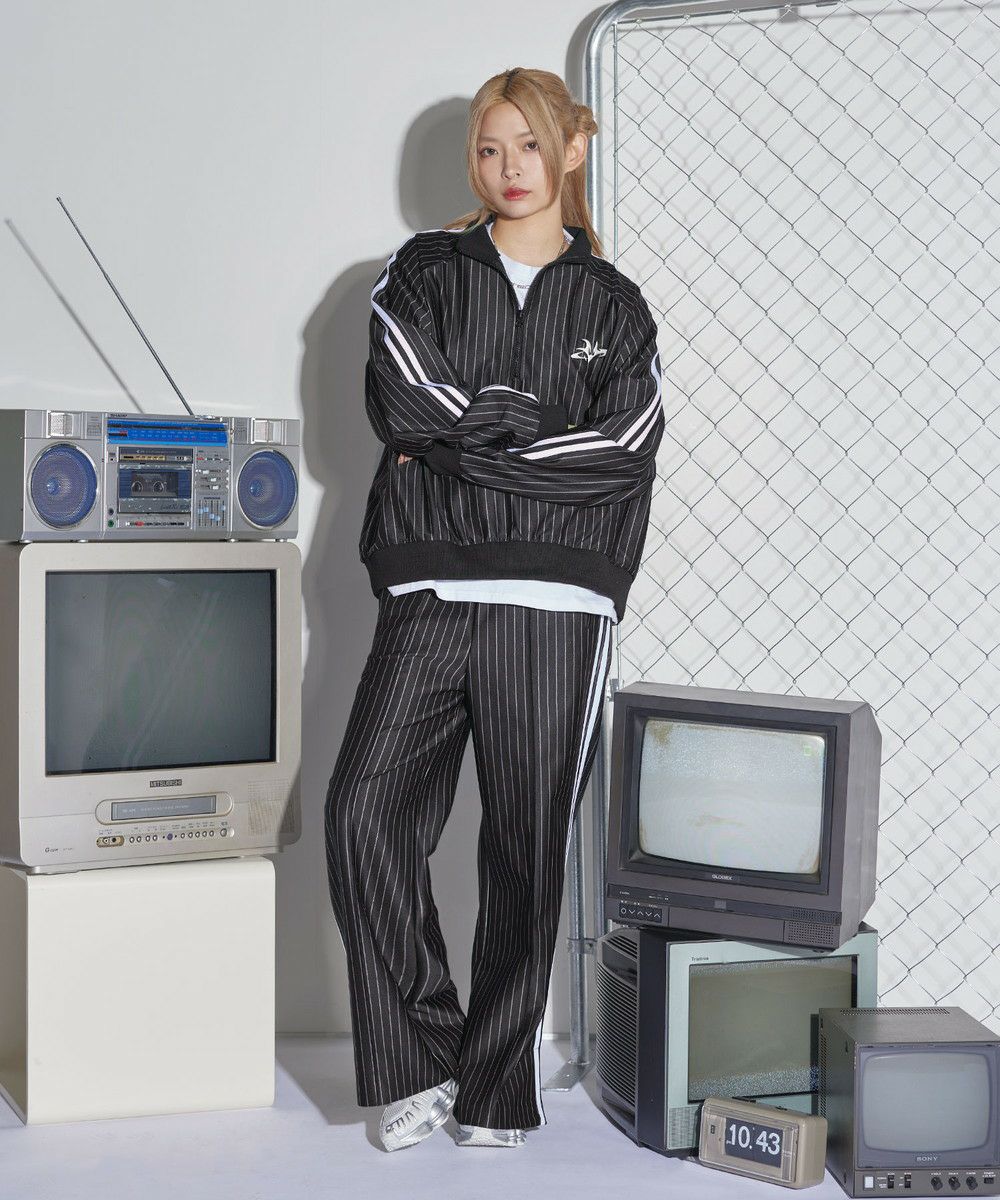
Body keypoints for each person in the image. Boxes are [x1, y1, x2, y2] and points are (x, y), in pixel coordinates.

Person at [325, 65, 664, 1152]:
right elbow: (403, 402)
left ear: (572, 149)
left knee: (525, 854)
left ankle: (496, 1089)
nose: (508, 167)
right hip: (431, 587)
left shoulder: (613, 305)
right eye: (488, 148)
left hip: (559, 605)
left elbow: (622, 452)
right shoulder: (422, 271)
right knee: (364, 816)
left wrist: (471, 440)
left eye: (528, 144)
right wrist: (524, 434)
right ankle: (419, 1062)